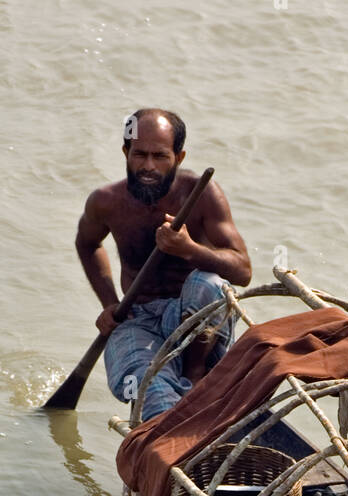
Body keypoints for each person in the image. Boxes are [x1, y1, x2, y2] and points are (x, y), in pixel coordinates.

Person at [75, 108, 252, 420]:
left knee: (207, 283)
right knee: (144, 386)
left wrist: (189, 249)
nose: (148, 166)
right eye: (139, 154)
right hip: (138, 318)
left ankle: (196, 373)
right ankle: (166, 427)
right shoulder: (105, 201)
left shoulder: (201, 193)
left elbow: (242, 271)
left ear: (179, 157)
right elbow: (87, 244)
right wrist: (109, 303)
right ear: (125, 152)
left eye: (160, 156)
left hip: (199, 324)